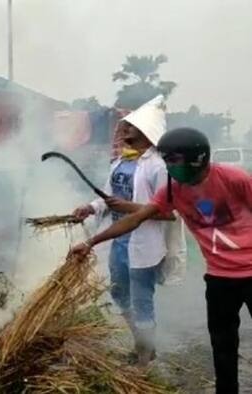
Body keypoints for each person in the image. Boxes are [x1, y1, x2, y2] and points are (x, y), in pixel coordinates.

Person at [71, 128, 252, 394]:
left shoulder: (234, 178)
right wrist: (90, 242)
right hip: (219, 278)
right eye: (167, 160)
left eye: (175, 160)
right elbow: (137, 218)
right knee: (222, 346)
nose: (170, 167)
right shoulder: (172, 190)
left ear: (197, 158)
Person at [72, 95, 186, 366]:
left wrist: (129, 206)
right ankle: (142, 344)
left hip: (144, 245)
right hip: (119, 242)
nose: (123, 129)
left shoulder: (159, 167)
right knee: (119, 295)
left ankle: (145, 359)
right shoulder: (120, 162)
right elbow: (109, 197)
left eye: (130, 126)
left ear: (146, 133)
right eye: (124, 126)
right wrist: (90, 206)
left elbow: (170, 213)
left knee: (142, 301)